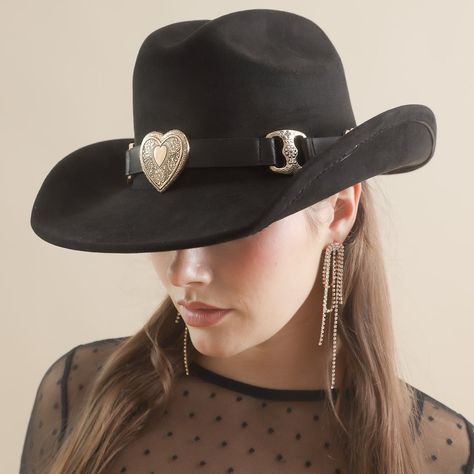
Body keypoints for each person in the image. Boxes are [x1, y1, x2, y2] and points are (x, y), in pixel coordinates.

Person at [20, 8, 473, 474]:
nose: (183, 272)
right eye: (167, 228)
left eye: (228, 228)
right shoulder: (78, 397)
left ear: (339, 211)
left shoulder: (441, 457)